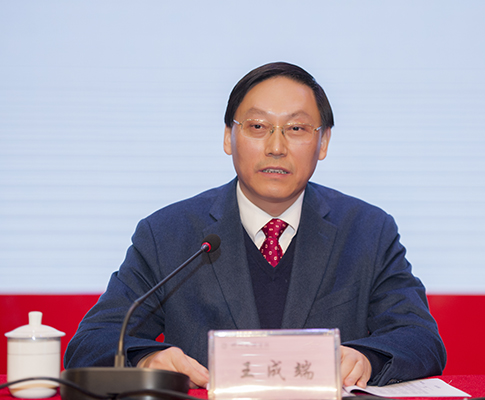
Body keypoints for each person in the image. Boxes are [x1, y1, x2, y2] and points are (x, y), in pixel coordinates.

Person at [64, 62, 446, 388]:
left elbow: (421, 339)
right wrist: (146, 361)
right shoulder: (167, 234)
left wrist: (367, 359)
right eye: (258, 126)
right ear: (228, 137)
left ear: (323, 142)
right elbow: (92, 342)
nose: (276, 147)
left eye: (296, 129)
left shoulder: (368, 231)